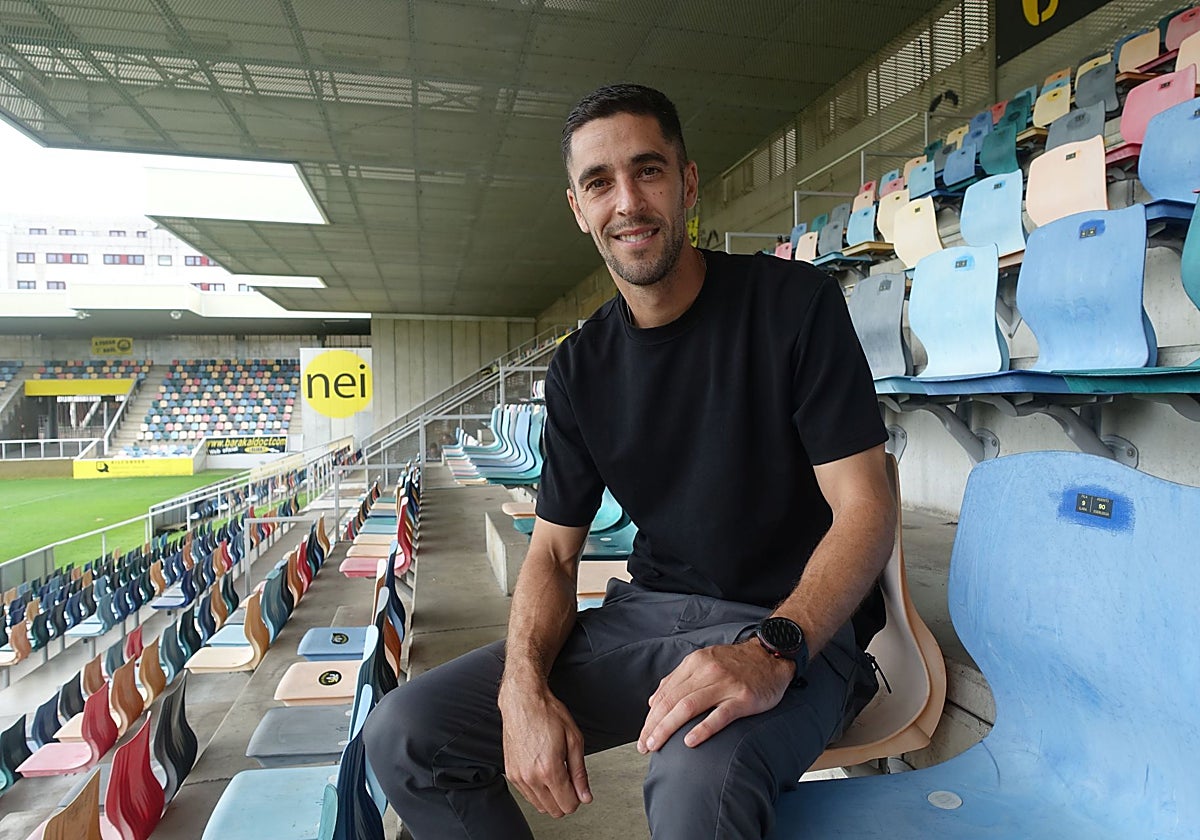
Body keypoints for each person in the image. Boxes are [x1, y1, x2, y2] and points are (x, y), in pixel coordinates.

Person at [364, 83, 895, 840]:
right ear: (578, 208)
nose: (627, 202)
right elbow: (551, 551)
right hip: (650, 618)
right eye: (599, 182)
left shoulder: (794, 304)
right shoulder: (582, 368)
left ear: (686, 184)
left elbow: (867, 507)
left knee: (692, 787)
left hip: (799, 630)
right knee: (406, 732)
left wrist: (774, 649)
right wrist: (521, 687)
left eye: (647, 171)